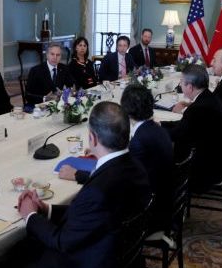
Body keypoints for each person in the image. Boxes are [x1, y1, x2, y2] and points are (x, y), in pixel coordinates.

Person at [0, 102, 151, 268]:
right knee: (21, 249)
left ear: (92, 138)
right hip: (120, 257)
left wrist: (29, 215)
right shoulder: (137, 167)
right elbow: (93, 215)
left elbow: (61, 241)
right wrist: (48, 209)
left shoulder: (98, 190)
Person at [59, 84, 173, 232]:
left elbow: (118, 181)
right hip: (163, 201)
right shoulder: (155, 129)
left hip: (147, 215)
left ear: (125, 112)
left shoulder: (139, 141)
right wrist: (104, 149)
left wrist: (77, 174)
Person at [160, 64, 222, 193]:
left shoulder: (198, 108)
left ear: (190, 87)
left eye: (181, 82)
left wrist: (155, 131)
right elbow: (185, 125)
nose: (180, 85)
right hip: (221, 158)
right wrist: (161, 124)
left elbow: (177, 135)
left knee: (158, 161)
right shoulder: (208, 97)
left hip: (210, 168)